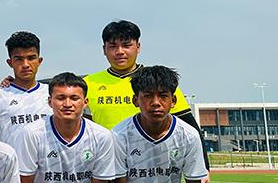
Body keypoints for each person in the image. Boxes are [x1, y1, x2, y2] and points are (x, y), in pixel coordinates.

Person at [84, 20, 208, 170]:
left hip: (153, 164)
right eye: (113, 46)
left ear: (138, 47)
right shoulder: (87, 84)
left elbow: (190, 129)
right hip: (108, 164)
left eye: (126, 45)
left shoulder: (159, 81)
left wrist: (204, 167)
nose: (120, 51)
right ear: (104, 49)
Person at [0, 31, 51, 159]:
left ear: (39, 61)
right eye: (19, 59)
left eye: (31, 58)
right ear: (10, 62)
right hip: (11, 167)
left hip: (49, 166)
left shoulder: (52, 94)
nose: (26, 64)